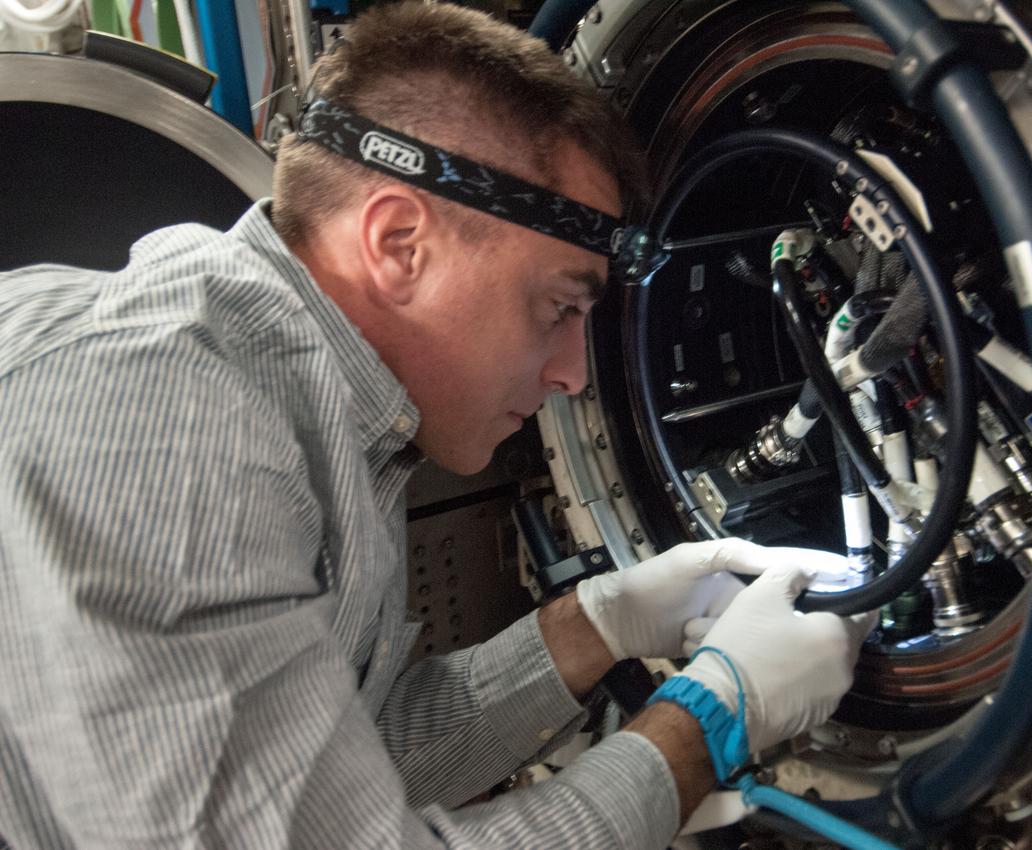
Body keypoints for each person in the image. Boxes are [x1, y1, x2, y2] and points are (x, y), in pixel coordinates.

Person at [0, 3, 870, 847]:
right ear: (398, 245)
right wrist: (711, 721)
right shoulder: (155, 423)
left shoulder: (305, 400)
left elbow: (339, 769)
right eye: (558, 307)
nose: (571, 374)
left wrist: (600, 623)